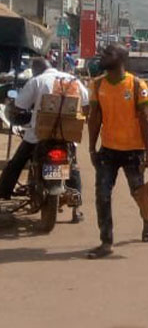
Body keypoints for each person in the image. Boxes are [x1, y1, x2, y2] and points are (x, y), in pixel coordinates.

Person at [86, 44, 148, 259]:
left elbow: (145, 120)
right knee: (102, 195)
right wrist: (91, 148)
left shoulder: (136, 85)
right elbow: (94, 118)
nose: (103, 56)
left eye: (109, 53)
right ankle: (106, 242)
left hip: (133, 151)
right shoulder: (97, 84)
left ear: (121, 59)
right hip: (108, 150)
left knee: (138, 192)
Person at [0, 58, 88, 223]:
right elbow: (86, 102)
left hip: (38, 135)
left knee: (17, 163)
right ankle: (77, 209)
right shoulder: (73, 79)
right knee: (73, 167)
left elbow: (19, 105)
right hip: (67, 136)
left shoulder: (37, 80)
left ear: (35, 70)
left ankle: (4, 193)